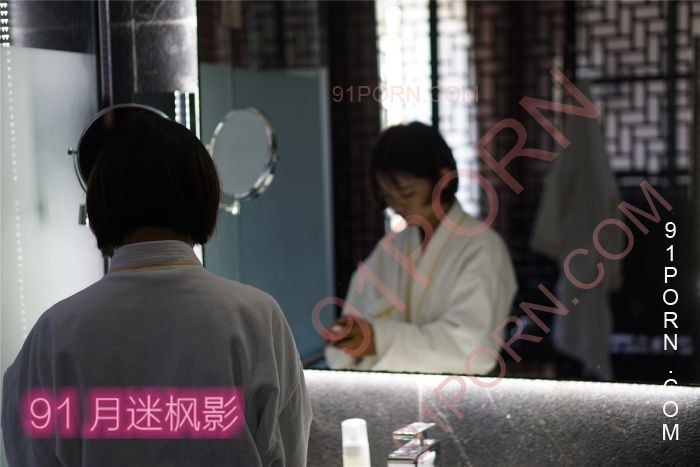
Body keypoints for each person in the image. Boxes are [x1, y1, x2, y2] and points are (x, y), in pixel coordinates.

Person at [1, 112, 311, 466]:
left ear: (100, 204)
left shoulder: (54, 334)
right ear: (204, 197)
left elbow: (28, 454)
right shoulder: (256, 318)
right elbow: (288, 452)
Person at [324, 122, 517, 375]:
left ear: (443, 178)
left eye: (406, 193)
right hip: (390, 393)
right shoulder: (391, 248)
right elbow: (353, 325)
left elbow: (474, 350)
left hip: (457, 393)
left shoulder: (482, 248)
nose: (398, 207)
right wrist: (348, 338)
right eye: (388, 197)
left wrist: (379, 339)